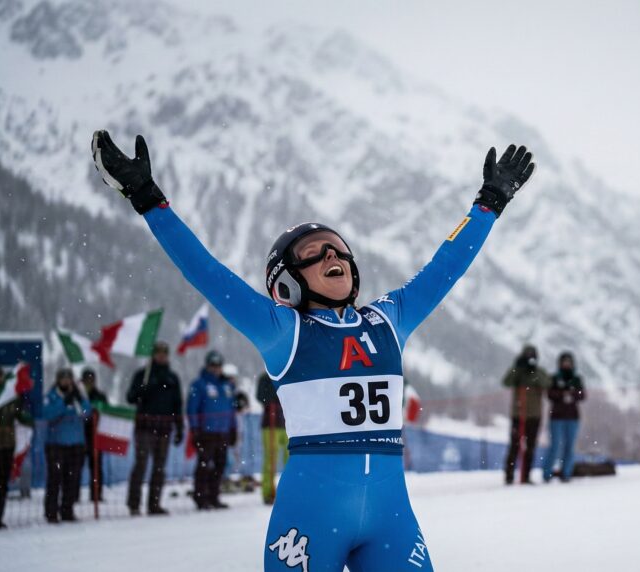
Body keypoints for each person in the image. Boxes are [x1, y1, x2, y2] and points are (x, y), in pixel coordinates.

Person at [92, 129, 534, 571]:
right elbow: (206, 272)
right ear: (286, 282)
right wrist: (148, 198)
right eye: (312, 253)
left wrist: (488, 203)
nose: (330, 255)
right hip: (311, 516)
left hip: (391, 518)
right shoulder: (285, 332)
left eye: (337, 248)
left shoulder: (388, 321)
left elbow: (445, 267)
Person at [125, 340, 183, 516]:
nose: (161, 356)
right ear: (153, 356)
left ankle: (154, 504)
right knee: (141, 465)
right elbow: (130, 398)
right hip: (145, 428)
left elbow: (178, 405)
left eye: (164, 354)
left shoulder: (172, 378)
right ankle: (134, 504)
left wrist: (180, 428)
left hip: (164, 428)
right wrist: (142, 390)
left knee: (159, 467)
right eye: (158, 353)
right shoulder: (143, 375)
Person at [187, 350, 237, 510]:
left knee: (220, 465)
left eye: (218, 365)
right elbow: (192, 408)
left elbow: (232, 409)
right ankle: (201, 498)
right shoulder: (199, 384)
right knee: (203, 465)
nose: (215, 368)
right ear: (207, 365)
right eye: (213, 365)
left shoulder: (227, 385)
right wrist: (194, 429)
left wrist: (233, 428)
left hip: (223, 432)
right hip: (206, 432)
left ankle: (214, 497)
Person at [42, 369, 91, 523]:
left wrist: (80, 400)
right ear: (58, 380)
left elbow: (87, 412)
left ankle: (67, 510)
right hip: (56, 444)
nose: (66, 381)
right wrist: (64, 403)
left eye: (68, 378)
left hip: (76, 444)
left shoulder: (78, 396)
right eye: (63, 378)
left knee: (72, 480)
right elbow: (48, 414)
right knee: (54, 480)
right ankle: (51, 512)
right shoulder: (51, 396)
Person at [502, 344, 551, 485]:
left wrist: (533, 372)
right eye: (527, 355)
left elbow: (547, 383)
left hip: (534, 416)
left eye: (532, 355)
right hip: (518, 414)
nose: (530, 358)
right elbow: (506, 382)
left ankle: (526, 475)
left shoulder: (539, 372)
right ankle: (509, 475)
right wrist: (517, 367)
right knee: (514, 446)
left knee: (530, 447)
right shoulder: (518, 371)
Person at [0, 365, 33, 529]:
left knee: (2, 482)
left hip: (7, 443)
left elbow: (21, 415)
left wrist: (28, 419)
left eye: (0, 375)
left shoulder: (12, 396)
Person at [543, 351, 586, 483]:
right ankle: (547, 474)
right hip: (556, 417)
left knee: (569, 446)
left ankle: (566, 473)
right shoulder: (554, 378)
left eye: (569, 362)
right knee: (554, 446)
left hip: (572, 417)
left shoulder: (576, 379)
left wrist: (571, 395)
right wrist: (563, 395)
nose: (566, 365)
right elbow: (550, 394)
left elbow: (582, 395)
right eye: (564, 362)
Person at [256, 371, 287, 505]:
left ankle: (289, 490)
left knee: (291, 457)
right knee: (270, 457)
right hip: (270, 423)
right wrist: (273, 396)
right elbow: (261, 397)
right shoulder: (265, 378)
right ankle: (268, 491)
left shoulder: (286, 375)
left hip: (287, 423)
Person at [80, 368, 108, 502]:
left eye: (91, 380)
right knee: (75, 467)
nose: (89, 383)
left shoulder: (100, 396)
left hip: (95, 435)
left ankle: (96, 494)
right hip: (79, 435)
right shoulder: (78, 395)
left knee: (96, 467)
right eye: (87, 380)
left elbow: (106, 413)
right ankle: (73, 495)